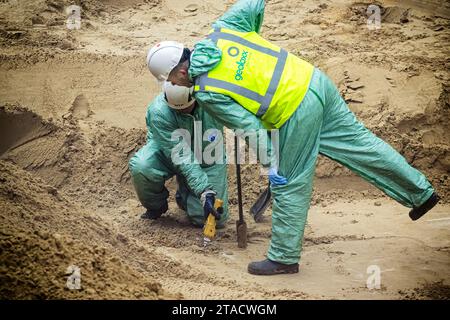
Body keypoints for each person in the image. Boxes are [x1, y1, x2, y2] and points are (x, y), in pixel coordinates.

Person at [145, 0, 440, 275]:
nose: (172, 84)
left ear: (180, 70)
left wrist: (273, 167)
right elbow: (252, 5)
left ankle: (283, 258)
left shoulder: (207, 92)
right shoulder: (222, 31)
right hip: (313, 80)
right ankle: (421, 193)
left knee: (290, 182)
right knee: (361, 144)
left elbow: (251, 130)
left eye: (170, 79)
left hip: (294, 111)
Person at [129, 83, 228, 228]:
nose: (181, 112)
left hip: (207, 155)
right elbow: (182, 157)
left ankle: (185, 196)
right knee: (142, 167)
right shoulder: (159, 112)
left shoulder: (213, 98)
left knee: (212, 219)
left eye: (185, 108)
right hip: (169, 151)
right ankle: (156, 206)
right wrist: (204, 190)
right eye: (176, 109)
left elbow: (241, 115)